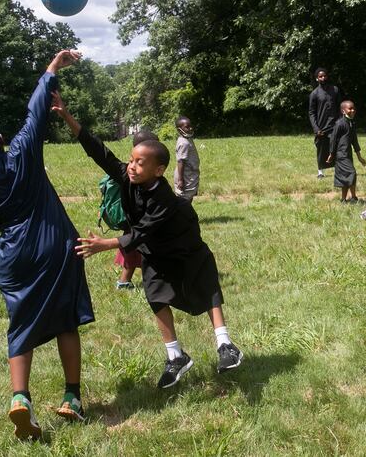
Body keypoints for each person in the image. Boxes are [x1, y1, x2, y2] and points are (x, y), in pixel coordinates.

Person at [53, 97, 243, 389]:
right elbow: (99, 152)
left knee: (206, 289)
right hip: (155, 251)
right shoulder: (128, 178)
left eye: (140, 163)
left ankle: (225, 345)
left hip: (185, 246)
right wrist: (68, 117)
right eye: (131, 160)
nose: (131, 167)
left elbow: (141, 231)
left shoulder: (165, 199)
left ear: (159, 170)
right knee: (156, 297)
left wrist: (105, 244)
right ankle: (175, 356)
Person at [0, 50, 94, 440]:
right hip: (54, 245)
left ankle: (20, 398)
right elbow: (36, 112)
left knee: (20, 327)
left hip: (15, 256)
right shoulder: (24, 152)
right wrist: (52, 68)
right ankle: (72, 397)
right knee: (65, 320)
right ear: (0, 137)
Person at [114, 129, 160, 290]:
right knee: (133, 252)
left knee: (132, 252)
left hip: (137, 225)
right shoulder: (134, 171)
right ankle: (124, 282)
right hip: (135, 224)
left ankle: (125, 281)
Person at [308, 68, 341, 178]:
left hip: (334, 124)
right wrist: (316, 128)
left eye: (325, 76)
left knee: (336, 147)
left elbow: (340, 107)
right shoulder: (314, 94)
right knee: (321, 149)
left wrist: (340, 122)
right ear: (317, 78)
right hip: (321, 127)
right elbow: (311, 113)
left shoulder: (335, 90)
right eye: (320, 76)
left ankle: (338, 170)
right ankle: (320, 172)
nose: (323, 78)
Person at [173, 116, 200, 203]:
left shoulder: (187, 139)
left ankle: (186, 214)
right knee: (185, 198)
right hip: (185, 175)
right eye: (187, 127)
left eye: (190, 126)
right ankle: (183, 215)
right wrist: (180, 180)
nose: (190, 128)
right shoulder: (184, 143)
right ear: (179, 129)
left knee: (189, 195)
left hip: (190, 173)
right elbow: (181, 161)